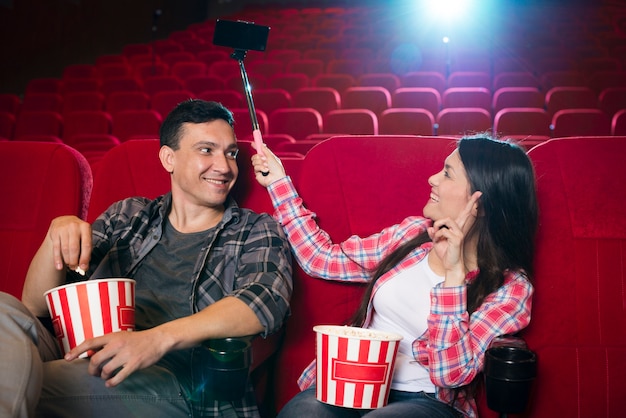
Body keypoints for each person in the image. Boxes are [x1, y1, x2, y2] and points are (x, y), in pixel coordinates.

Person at [0, 99, 293, 418]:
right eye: (206, 150)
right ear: (169, 158)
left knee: (35, 379)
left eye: (231, 153)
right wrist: (56, 233)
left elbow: (262, 303)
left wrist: (154, 340)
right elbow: (36, 306)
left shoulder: (256, 229)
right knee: (4, 309)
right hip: (80, 349)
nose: (224, 166)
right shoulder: (128, 215)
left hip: (178, 382)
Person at [251, 135, 538, 418]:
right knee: (302, 413)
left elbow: (451, 374)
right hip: (356, 381)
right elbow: (321, 259)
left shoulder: (510, 288)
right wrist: (278, 183)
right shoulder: (414, 235)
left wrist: (453, 277)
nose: (433, 179)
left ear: (480, 203)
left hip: (428, 400)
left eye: (448, 174)